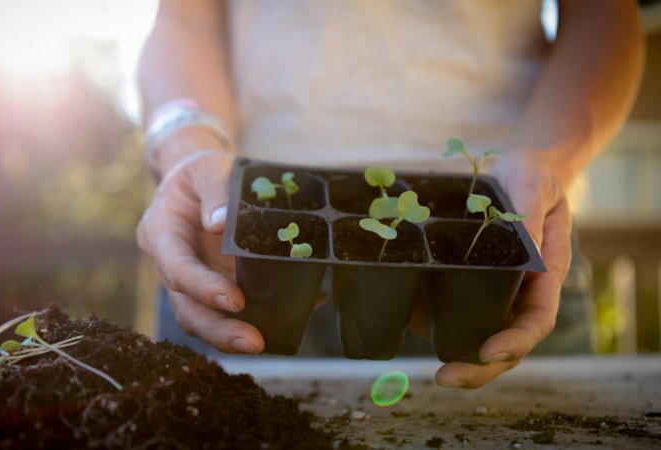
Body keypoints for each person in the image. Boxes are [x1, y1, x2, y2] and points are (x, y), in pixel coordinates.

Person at [136, 0, 645, 389]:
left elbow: (603, 17)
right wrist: (187, 148)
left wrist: (548, 159)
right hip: (238, 244)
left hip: (510, 230)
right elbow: (186, 18)